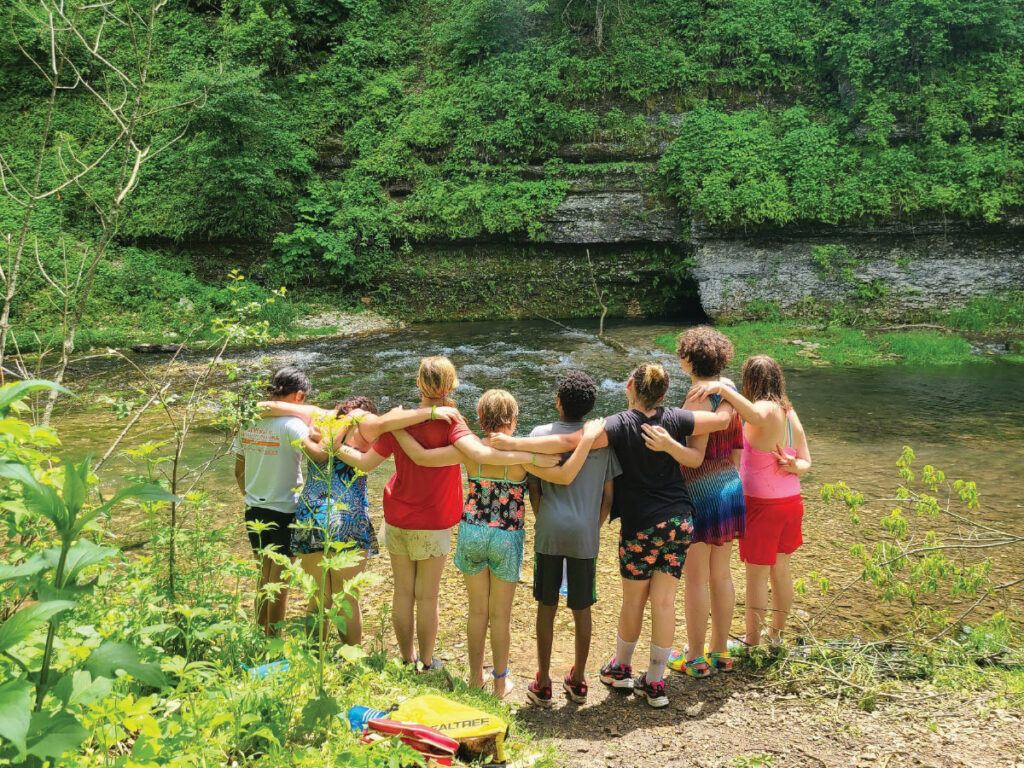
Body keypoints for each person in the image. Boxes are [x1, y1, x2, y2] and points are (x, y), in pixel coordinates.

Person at [490, 362, 730, 708]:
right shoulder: (676, 418)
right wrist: (725, 390)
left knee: (627, 601)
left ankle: (619, 669)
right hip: (680, 520)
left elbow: (568, 441)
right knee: (663, 602)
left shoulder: (618, 424)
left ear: (629, 385)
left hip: (639, 525)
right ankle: (656, 683)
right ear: (663, 394)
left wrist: (514, 442)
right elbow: (722, 421)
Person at [332, 356, 558, 672]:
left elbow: (366, 463)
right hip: (434, 520)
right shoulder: (452, 422)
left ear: (418, 384)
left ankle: (405, 658)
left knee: (402, 592)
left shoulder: (399, 421)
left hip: (397, 514)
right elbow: (483, 453)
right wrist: (530, 456)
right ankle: (426, 662)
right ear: (451, 386)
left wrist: (334, 445)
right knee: (427, 597)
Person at [392, 389, 604, 698]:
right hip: (507, 535)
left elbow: (422, 457)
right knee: (500, 617)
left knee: (477, 612)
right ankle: (500, 684)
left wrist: (396, 426)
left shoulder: (470, 449)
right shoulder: (525, 458)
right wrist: (586, 440)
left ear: (479, 419)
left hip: (472, 531)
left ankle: (475, 678)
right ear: (515, 420)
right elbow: (566, 474)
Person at [687, 354, 811, 648]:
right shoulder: (789, 412)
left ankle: (752, 641)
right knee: (781, 569)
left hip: (763, 505)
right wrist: (796, 468)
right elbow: (807, 460)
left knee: (756, 574)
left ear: (750, 381)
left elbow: (754, 416)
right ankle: (776, 636)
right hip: (791, 501)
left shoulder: (764, 409)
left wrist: (723, 390)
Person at [645, 327, 745, 677]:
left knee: (697, 579)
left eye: (681, 355)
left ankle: (694, 658)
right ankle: (720, 652)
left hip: (701, 488)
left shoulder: (697, 398)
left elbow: (694, 455)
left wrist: (664, 444)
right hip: (730, 485)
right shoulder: (729, 388)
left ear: (690, 360)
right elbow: (736, 450)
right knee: (722, 574)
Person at [523, 371, 620, 707]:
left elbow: (533, 486)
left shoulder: (539, 434)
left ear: (558, 402)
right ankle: (578, 680)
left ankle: (544, 681)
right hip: (584, 534)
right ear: (590, 406)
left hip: (549, 529)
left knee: (545, 606)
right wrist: (593, 526)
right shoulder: (601, 440)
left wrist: (543, 516)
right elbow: (608, 497)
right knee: (582, 608)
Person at [234, 366, 318, 636]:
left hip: (254, 508)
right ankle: (273, 643)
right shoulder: (293, 425)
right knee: (279, 582)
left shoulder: (249, 421)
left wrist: (250, 495)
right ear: (298, 396)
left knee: (263, 576)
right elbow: (319, 454)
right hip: (284, 508)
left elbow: (239, 468)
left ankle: (259, 636)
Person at [290, 396, 381, 646]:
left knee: (318, 596)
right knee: (347, 598)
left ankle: (314, 656)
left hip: (311, 513)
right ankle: (351, 662)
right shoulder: (364, 435)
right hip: (348, 516)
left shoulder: (317, 430)